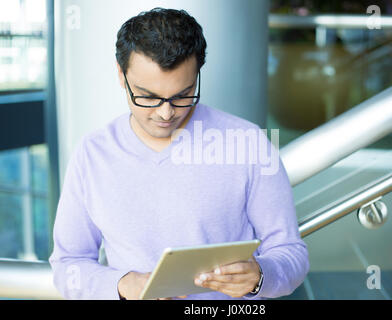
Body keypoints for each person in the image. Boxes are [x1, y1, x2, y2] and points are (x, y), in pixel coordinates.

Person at [49, 7, 309, 300]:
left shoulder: (248, 142)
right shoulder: (92, 154)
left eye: (182, 95)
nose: (166, 112)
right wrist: (123, 285)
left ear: (197, 74)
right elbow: (67, 264)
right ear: (121, 75)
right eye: (147, 97)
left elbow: (291, 253)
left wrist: (261, 276)